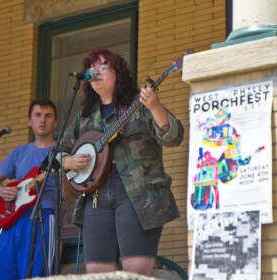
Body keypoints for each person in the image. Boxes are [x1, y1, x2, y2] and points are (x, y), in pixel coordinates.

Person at [57, 48, 184, 276]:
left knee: (136, 270)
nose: (96, 73)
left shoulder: (140, 105)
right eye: (91, 69)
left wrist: (155, 107)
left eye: (103, 67)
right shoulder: (84, 117)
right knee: (97, 272)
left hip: (137, 194)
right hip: (95, 195)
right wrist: (68, 161)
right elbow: (56, 154)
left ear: (119, 73)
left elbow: (174, 137)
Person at [0, 99, 60, 279]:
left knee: (37, 274)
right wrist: (1, 191)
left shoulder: (61, 152)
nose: (42, 120)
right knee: (4, 273)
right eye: (38, 115)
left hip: (45, 216)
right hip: (13, 219)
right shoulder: (19, 152)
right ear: (29, 121)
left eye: (48, 116)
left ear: (55, 122)